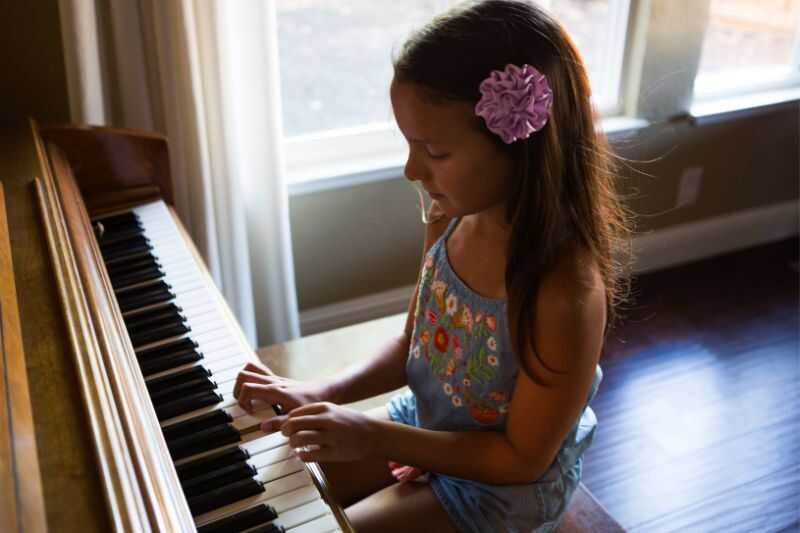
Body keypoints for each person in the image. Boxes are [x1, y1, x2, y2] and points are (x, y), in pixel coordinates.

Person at [234, 0, 633, 531]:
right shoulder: (447, 213)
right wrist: (322, 392)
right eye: (408, 144)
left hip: (501, 486)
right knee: (273, 477)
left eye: (434, 152)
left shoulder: (564, 292)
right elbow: (413, 345)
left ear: (520, 147)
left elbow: (520, 459)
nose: (410, 169)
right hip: (429, 421)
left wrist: (375, 437)